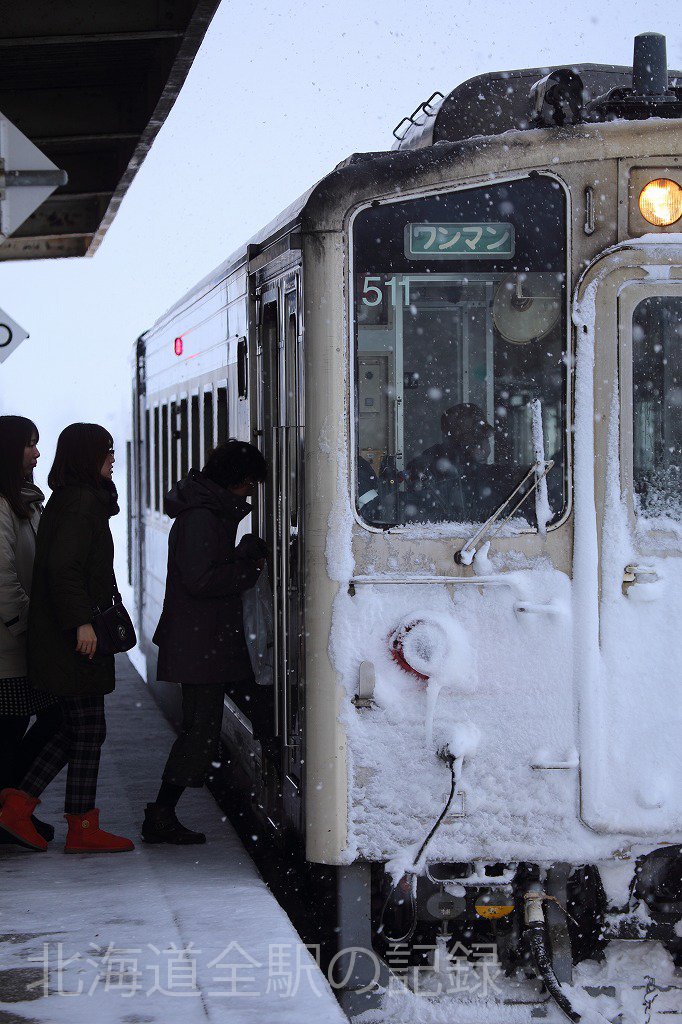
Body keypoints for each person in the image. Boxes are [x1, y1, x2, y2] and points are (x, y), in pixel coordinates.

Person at [0, 423, 134, 853]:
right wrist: (82, 623)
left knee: (78, 730)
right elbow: (63, 568)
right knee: (86, 729)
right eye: (106, 451)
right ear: (86, 456)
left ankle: (26, 808)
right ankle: (75, 824)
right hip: (74, 637)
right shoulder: (80, 503)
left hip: (66, 633)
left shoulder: (72, 498)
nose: (112, 458)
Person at [143, 439, 267, 845]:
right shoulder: (201, 516)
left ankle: (273, 776)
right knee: (200, 732)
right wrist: (249, 568)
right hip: (201, 644)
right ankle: (161, 815)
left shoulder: (207, 510)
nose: (250, 492)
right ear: (234, 479)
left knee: (252, 708)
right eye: (249, 483)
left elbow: (208, 566)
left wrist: (241, 553)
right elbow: (200, 579)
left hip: (209, 641)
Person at [0, 416, 61, 844]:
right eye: (29, 445)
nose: (37, 453)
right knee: (29, 728)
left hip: (21, 642)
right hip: (9, 644)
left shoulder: (24, 501)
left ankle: (11, 811)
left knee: (20, 730)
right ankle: (9, 812)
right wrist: (28, 628)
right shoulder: (3, 505)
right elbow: (2, 579)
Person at [407, 403, 496, 521]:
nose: (482, 445)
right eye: (476, 438)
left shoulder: (484, 472)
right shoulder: (429, 465)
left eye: (484, 437)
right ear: (454, 438)